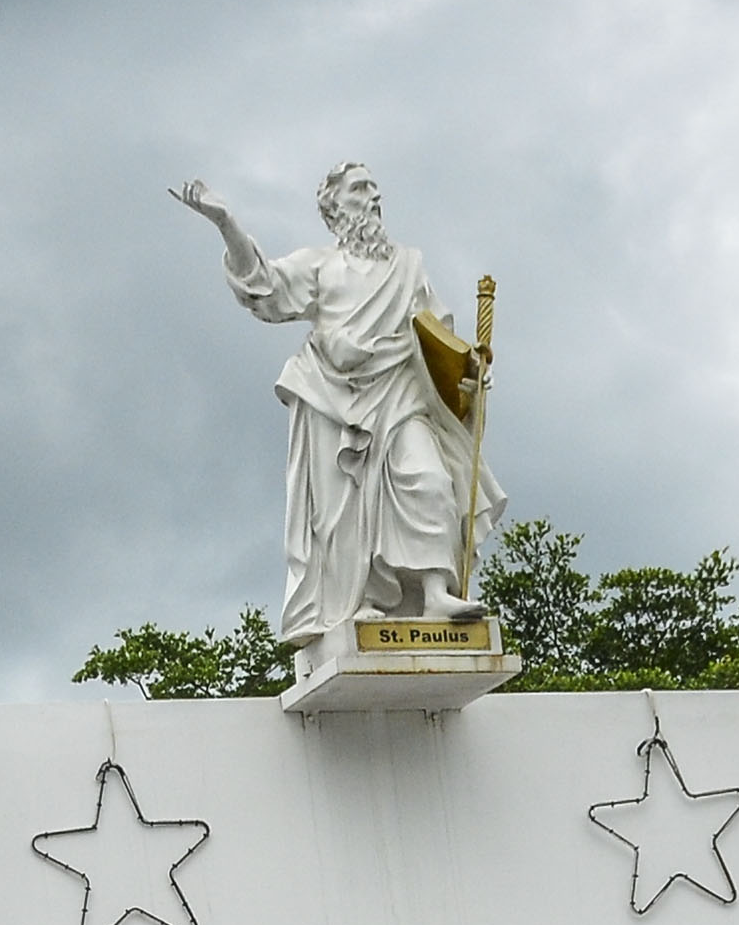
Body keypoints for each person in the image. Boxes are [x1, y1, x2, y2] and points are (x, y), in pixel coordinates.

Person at [172, 167, 500, 646]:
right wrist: (226, 223)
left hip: (399, 391)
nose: (374, 196)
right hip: (334, 397)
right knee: (343, 515)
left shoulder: (409, 265)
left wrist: (468, 364)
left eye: (374, 187)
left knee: (427, 478)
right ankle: (357, 603)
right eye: (361, 189)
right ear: (333, 206)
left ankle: (435, 593)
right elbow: (262, 288)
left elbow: (437, 333)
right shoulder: (320, 266)